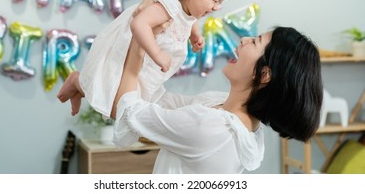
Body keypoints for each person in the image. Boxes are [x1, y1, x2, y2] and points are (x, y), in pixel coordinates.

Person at [108, 26, 323, 173]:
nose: (243, 40)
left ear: (264, 74)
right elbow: (160, 100)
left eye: (255, 42)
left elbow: (129, 112)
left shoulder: (213, 127)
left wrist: (139, 40)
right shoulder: (228, 111)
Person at [57, 0, 235, 117]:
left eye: (221, 1)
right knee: (118, 108)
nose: (217, 7)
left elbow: (189, 19)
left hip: (146, 67)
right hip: (132, 56)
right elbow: (139, 23)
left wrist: (194, 34)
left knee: (128, 107)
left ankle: (79, 85)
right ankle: (77, 82)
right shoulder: (167, 5)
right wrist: (157, 53)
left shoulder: (186, 7)